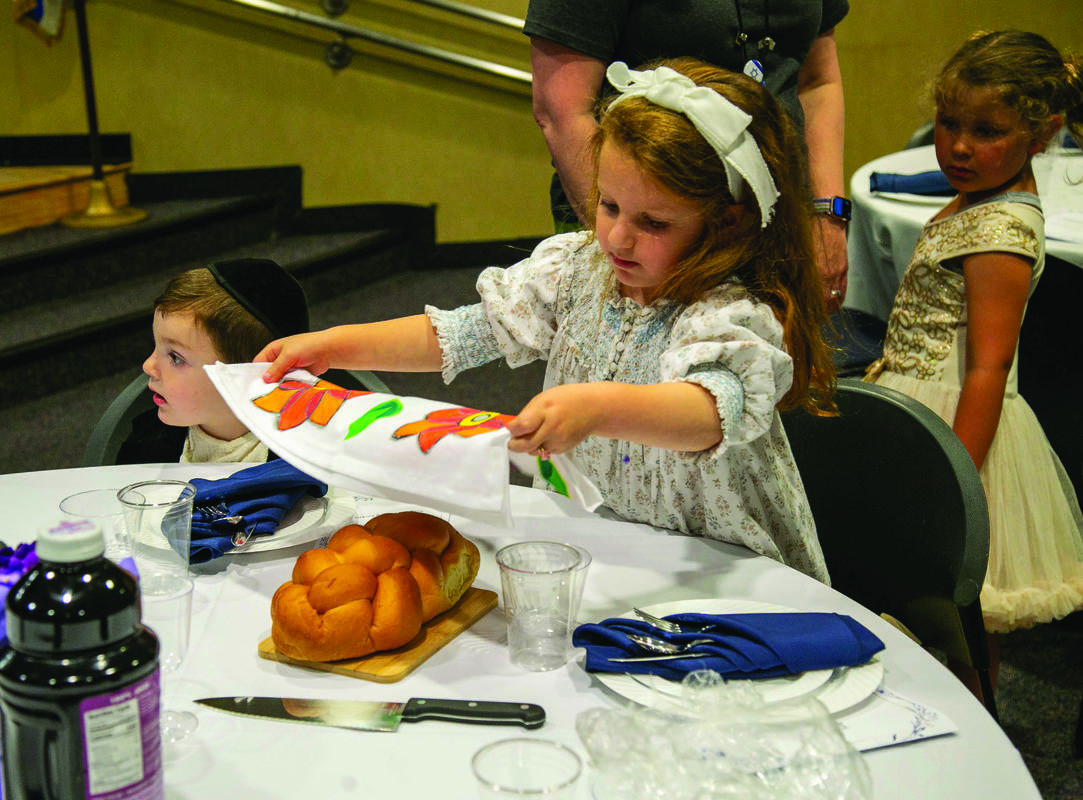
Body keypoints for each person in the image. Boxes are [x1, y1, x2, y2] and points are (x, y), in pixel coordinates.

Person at [257, 59, 837, 582]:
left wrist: (595, 408)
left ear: (728, 223)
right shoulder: (576, 269)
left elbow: (710, 412)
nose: (617, 235)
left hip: (717, 568)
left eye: (654, 222)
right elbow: (462, 334)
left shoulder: (729, 311)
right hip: (607, 541)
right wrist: (334, 346)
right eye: (608, 205)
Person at [865, 31, 1083, 643]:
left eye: (986, 132)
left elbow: (989, 366)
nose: (958, 146)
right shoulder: (981, 195)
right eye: (947, 122)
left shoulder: (1001, 233)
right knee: (925, 612)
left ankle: (973, 725)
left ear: (1042, 136)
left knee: (953, 616)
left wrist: (952, 476)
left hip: (960, 428)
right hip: (921, 408)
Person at [524, 1, 850, 310]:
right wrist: (629, 252)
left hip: (779, 219)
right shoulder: (624, 238)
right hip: (640, 231)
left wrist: (828, 215)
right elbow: (563, 112)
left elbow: (817, 82)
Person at [116, 258, 310, 464]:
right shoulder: (144, 445)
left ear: (247, 375)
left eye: (175, 357)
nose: (148, 366)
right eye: (155, 346)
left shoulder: (315, 459)